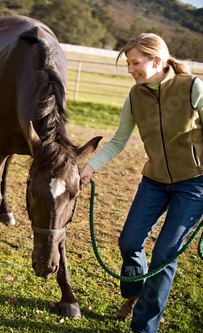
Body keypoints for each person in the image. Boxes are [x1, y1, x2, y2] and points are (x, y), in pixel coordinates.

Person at [80, 33, 203, 333]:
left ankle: (144, 327)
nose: (130, 69)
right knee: (129, 242)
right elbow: (119, 140)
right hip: (155, 181)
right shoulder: (135, 96)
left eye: (135, 63)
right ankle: (134, 294)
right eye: (128, 64)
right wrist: (89, 168)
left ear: (157, 61)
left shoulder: (193, 87)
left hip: (194, 184)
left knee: (163, 257)